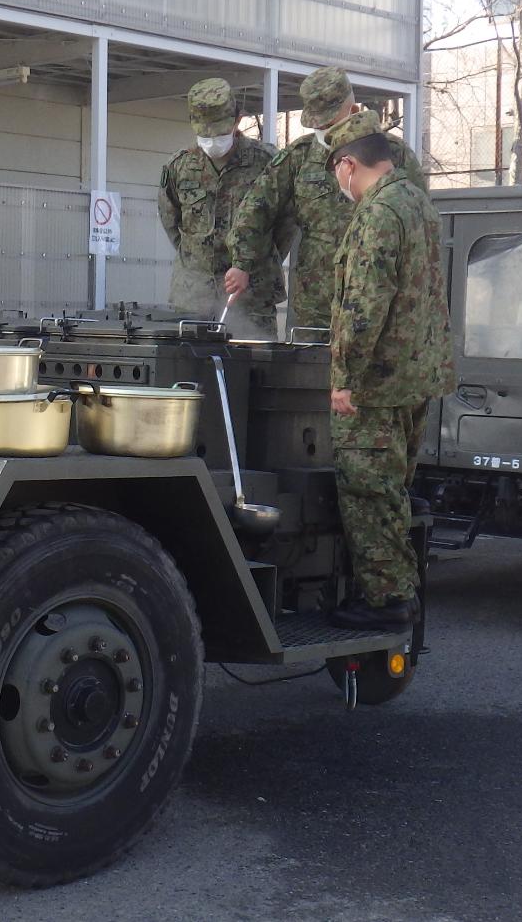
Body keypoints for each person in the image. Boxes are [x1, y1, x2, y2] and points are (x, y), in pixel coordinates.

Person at [323, 113, 454, 631]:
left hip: (376, 383)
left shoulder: (378, 212)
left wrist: (344, 378)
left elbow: (364, 305)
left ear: (348, 165)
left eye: (337, 171)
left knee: (368, 491)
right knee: (394, 488)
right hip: (414, 376)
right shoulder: (417, 202)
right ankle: (401, 591)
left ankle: (387, 600)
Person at [227, 67, 428, 331]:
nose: (324, 129)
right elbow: (256, 208)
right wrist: (242, 263)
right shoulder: (300, 156)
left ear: (352, 110)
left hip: (377, 301)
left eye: (330, 123)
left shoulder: (391, 153)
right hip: (315, 304)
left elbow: (420, 219)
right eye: (318, 124)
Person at [157, 77, 279, 336]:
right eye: (205, 134)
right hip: (194, 297)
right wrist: (199, 258)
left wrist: (255, 259)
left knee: (254, 360)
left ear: (237, 120)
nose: (212, 140)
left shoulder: (267, 163)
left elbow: (285, 225)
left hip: (251, 298)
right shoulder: (179, 166)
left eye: (219, 133)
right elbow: (172, 222)